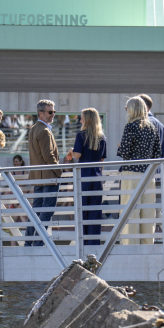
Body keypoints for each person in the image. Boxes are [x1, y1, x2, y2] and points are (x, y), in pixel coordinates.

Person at [117, 96, 161, 245]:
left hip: (132, 172)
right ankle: (148, 244)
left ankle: (131, 245)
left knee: (130, 211)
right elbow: (157, 153)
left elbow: (124, 152)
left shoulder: (131, 127)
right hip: (149, 173)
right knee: (147, 212)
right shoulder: (152, 128)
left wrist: (120, 146)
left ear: (132, 110)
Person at [25, 100, 62, 247]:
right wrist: (59, 172)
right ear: (41, 113)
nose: (53, 114)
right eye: (50, 112)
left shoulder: (34, 129)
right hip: (48, 177)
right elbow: (48, 156)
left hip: (38, 177)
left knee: (36, 211)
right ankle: (39, 242)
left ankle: (29, 242)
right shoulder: (44, 131)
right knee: (47, 211)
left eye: (54, 112)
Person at [70, 108, 107, 246]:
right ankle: (94, 243)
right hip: (97, 175)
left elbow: (78, 155)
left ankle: (82, 242)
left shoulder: (81, 135)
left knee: (82, 209)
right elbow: (102, 160)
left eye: (82, 118)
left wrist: (71, 151)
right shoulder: (102, 137)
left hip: (83, 175)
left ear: (88, 120)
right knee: (95, 211)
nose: (80, 120)